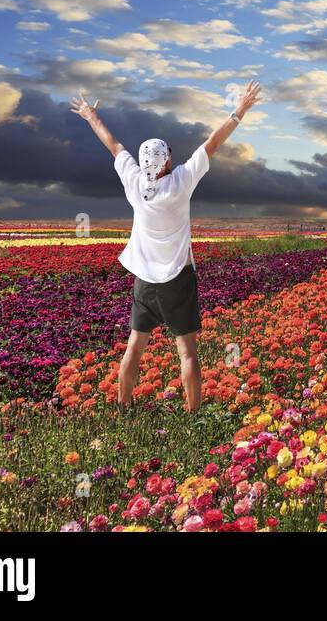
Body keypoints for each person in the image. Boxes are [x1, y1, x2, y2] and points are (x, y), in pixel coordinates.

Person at [70, 80, 263, 410]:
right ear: (167, 160)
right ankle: (193, 415)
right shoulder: (180, 182)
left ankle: (124, 406)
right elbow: (212, 145)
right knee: (186, 351)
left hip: (145, 281)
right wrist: (240, 110)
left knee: (135, 346)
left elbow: (114, 145)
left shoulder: (133, 182)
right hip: (178, 278)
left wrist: (90, 116)